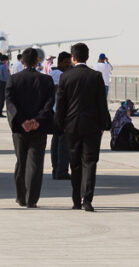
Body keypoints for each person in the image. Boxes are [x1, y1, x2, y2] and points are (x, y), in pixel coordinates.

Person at [55, 42, 111, 211]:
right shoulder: (95, 76)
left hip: (71, 126)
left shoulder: (65, 77)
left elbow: (61, 104)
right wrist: (104, 124)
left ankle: (75, 200)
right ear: (87, 57)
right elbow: (102, 103)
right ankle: (87, 199)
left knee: (75, 163)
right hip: (92, 126)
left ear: (73, 57)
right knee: (90, 162)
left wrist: (59, 125)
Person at [5, 47, 55, 208]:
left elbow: (10, 104)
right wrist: (37, 121)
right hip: (39, 128)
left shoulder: (13, 79)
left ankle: (21, 197)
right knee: (35, 163)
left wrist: (22, 122)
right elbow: (49, 104)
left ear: (22, 61)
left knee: (21, 161)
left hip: (20, 129)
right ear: (37, 61)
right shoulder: (46, 80)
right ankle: (31, 199)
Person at [49, 51, 71, 180]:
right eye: (66, 63)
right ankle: (61, 171)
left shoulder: (53, 73)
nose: (68, 65)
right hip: (60, 112)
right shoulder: (59, 75)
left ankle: (56, 169)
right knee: (63, 143)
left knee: (56, 141)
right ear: (60, 62)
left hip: (54, 111)